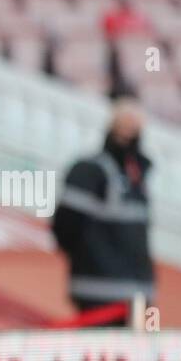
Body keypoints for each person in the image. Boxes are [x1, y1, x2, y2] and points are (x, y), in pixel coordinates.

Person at [52, 96, 153, 326]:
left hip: (136, 294)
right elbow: (65, 227)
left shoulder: (138, 176)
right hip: (97, 291)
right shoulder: (89, 171)